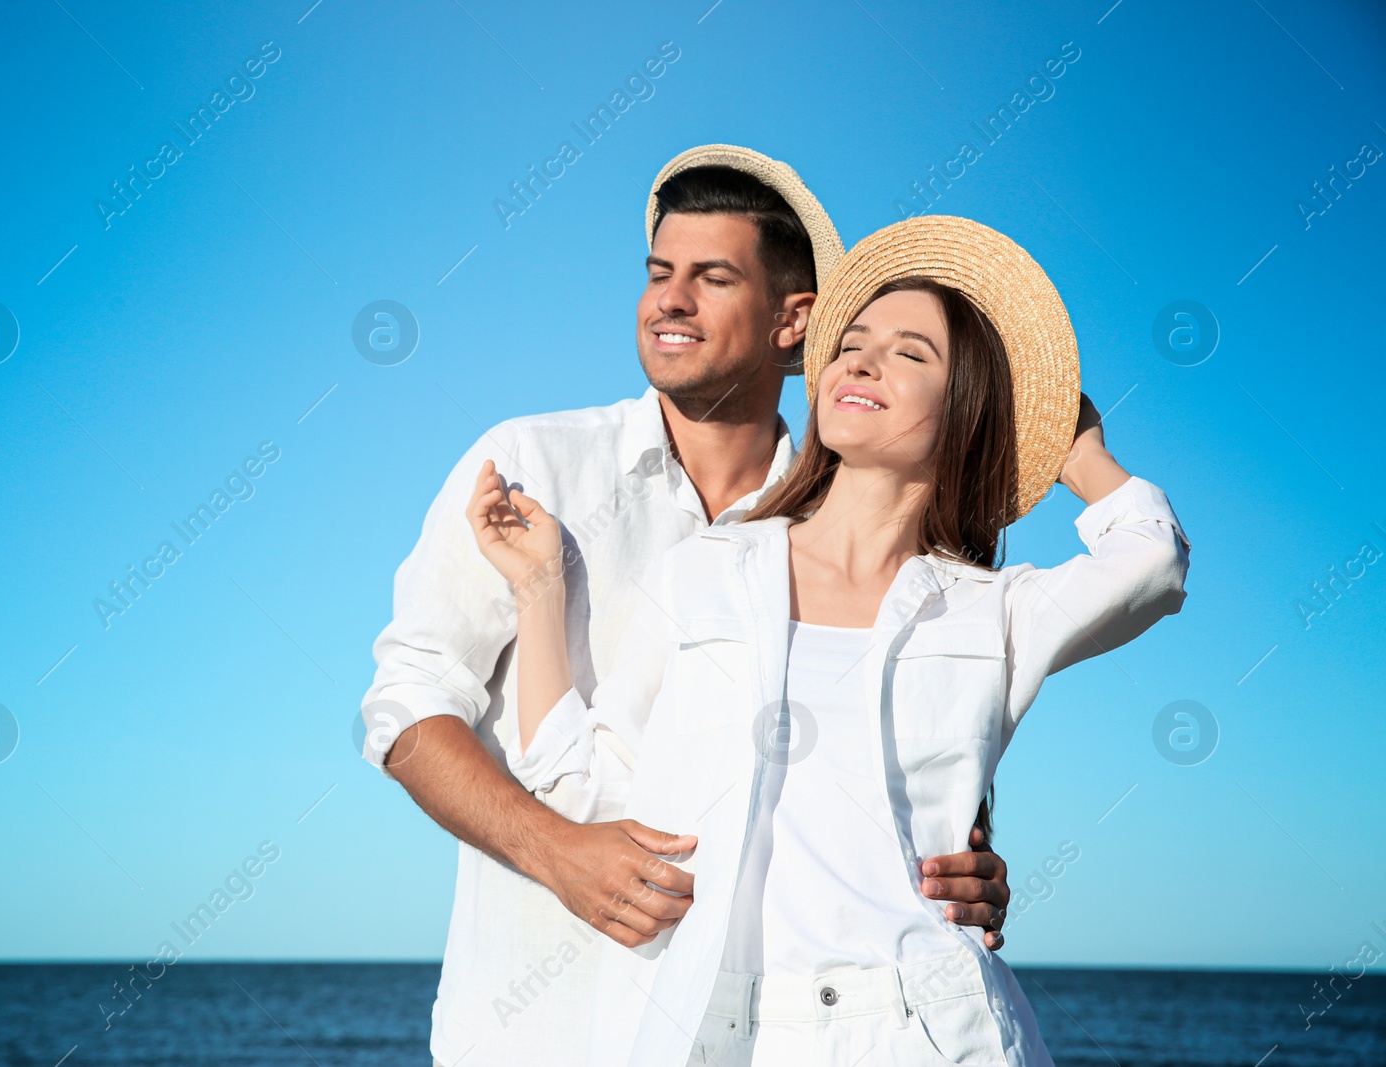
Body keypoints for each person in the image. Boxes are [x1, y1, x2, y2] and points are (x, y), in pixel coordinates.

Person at [466, 215, 1191, 1066]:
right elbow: (585, 790)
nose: (862, 359)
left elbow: (1152, 564)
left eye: (911, 353)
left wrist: (1074, 447)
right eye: (853, 342)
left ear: (963, 411)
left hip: (928, 1025)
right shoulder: (707, 571)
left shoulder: (990, 611)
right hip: (715, 1029)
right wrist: (538, 588)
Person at [361, 147, 1015, 1067]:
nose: (669, 299)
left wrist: (969, 867)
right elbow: (407, 706)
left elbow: (915, 768)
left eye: (712, 278)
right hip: (530, 1038)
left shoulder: (858, 532)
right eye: (660, 274)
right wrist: (556, 848)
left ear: (796, 322)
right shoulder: (529, 464)